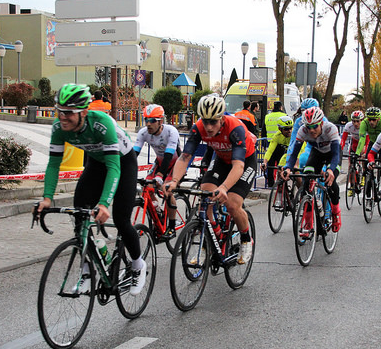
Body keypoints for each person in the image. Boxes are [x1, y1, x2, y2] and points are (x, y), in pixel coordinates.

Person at [35, 84, 147, 295]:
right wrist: (47, 198)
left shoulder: (102, 124)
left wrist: (104, 204)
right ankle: (88, 269)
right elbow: (53, 165)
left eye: (69, 113)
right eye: (59, 111)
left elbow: (114, 168)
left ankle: (138, 266)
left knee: (121, 219)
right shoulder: (59, 129)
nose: (63, 117)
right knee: (80, 212)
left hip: (122, 162)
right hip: (96, 162)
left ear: (84, 112)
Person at [166, 95, 257, 264]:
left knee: (232, 204)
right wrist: (174, 181)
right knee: (205, 197)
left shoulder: (235, 128)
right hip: (222, 159)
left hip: (245, 160)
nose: (208, 127)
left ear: (222, 119)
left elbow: (238, 166)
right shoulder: (199, 127)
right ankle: (209, 235)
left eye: (213, 122)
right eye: (205, 121)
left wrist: (223, 187)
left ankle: (246, 239)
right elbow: (185, 157)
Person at [283, 106, 342, 234]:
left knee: (330, 181)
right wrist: (288, 168)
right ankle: (309, 223)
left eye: (315, 126)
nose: (312, 130)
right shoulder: (303, 131)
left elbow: (336, 154)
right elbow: (294, 154)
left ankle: (336, 212)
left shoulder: (330, 128)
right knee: (307, 182)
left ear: (321, 123)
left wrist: (331, 169)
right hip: (317, 154)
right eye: (308, 127)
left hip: (333, 154)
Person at [133, 104, 181, 238]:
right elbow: (133, 154)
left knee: (167, 189)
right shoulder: (143, 132)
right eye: (146, 120)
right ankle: (157, 210)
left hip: (175, 163)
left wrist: (160, 175)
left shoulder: (171, 131)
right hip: (160, 162)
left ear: (160, 121)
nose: (148, 124)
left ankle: (172, 227)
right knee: (147, 186)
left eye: (152, 120)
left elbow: (169, 155)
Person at [260, 115, 293, 187]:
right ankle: (279, 186)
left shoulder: (294, 135)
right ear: (280, 129)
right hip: (284, 153)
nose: (289, 131)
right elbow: (270, 150)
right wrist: (264, 162)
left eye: (291, 128)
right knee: (280, 169)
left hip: (294, 154)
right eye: (286, 129)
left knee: (297, 174)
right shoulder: (277, 136)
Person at [341, 110, 368, 196]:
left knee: (363, 157)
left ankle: (364, 174)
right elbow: (343, 139)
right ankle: (352, 186)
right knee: (350, 166)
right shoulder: (349, 126)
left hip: (363, 143)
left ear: (362, 120)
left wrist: (364, 152)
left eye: (357, 121)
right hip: (354, 144)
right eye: (353, 121)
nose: (355, 123)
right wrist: (340, 150)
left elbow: (367, 142)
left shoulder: (365, 126)